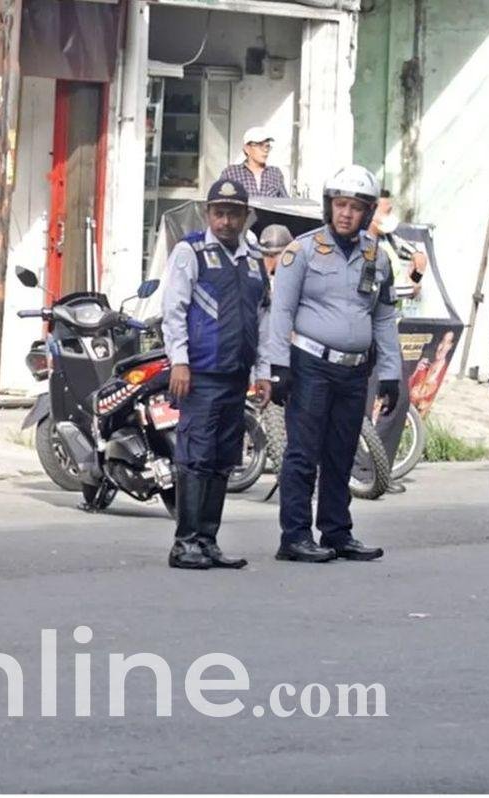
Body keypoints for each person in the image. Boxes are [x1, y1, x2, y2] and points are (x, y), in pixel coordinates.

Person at [256, 165, 401, 563]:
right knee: (303, 453)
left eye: (356, 207)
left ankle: (336, 531)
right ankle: (296, 536)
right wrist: (278, 367)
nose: (346, 214)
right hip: (309, 365)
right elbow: (280, 311)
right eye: (340, 205)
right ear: (328, 206)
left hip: (355, 369)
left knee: (341, 452)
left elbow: (384, 317)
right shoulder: (300, 251)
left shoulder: (378, 257)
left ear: (368, 212)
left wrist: (391, 373)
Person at [160, 178, 269, 570]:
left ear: (245, 217)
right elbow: (173, 309)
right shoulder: (191, 252)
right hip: (201, 373)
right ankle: (185, 542)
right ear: (208, 214)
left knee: (224, 459)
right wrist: (180, 361)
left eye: (233, 213)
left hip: (236, 375)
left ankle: (207, 540)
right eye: (219, 213)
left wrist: (264, 372)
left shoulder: (253, 260)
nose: (225, 221)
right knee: (196, 457)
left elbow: (262, 318)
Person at [218, 127, 289, 199]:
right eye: (260, 145)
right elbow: (219, 201)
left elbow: (285, 203)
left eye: (267, 146)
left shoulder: (275, 173)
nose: (265, 150)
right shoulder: (231, 173)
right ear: (247, 149)